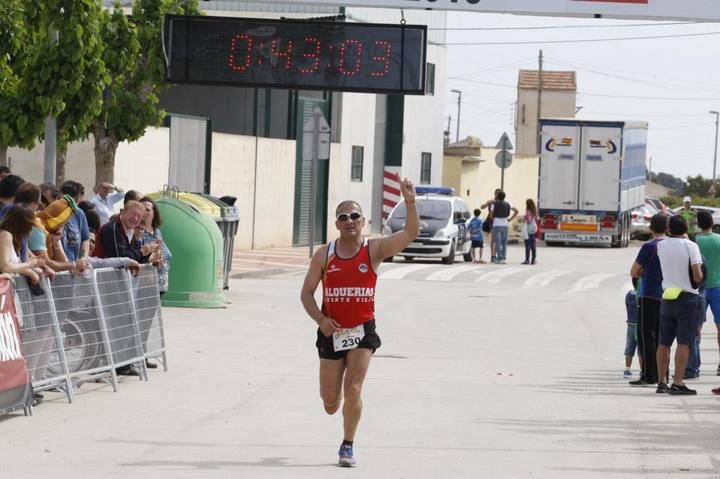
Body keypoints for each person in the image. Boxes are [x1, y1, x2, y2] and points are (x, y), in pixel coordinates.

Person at [300, 178, 419, 467]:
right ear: (337, 224)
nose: (350, 220)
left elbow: (411, 233)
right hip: (332, 332)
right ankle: (335, 400)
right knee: (330, 403)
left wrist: (410, 202)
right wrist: (321, 319)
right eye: (343, 217)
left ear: (363, 221)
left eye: (355, 216)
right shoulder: (324, 255)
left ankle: (348, 444)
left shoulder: (374, 250)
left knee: (354, 387)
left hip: (362, 332)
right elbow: (306, 294)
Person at [655, 215, 703, 395]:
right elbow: (697, 275)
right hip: (687, 297)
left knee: (664, 341)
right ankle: (678, 381)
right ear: (685, 229)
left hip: (667, 295)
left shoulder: (661, 245)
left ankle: (661, 382)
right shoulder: (691, 246)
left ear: (669, 229)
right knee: (684, 342)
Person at [629, 213, 667, 387]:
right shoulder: (672, 246)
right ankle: (663, 373)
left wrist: (643, 272)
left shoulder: (649, 247)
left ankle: (648, 374)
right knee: (663, 336)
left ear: (651, 228)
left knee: (647, 336)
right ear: (667, 228)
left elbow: (634, 271)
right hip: (668, 294)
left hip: (649, 294)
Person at [695, 211, 720, 378]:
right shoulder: (719, 239)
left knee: (696, 328)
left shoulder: (695, 241)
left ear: (698, 224)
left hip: (699, 289)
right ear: (712, 223)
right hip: (718, 287)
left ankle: (694, 365)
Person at [59, 180, 90, 261]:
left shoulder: (79, 213)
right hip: (57, 268)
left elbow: (85, 239)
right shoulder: (54, 212)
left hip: (74, 268)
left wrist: (83, 258)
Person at [489, 190, 518, 264]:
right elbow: (516, 211)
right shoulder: (508, 204)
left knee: (498, 242)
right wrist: (510, 219)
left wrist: (494, 219)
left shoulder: (493, 204)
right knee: (504, 242)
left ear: (497, 196)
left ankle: (500, 258)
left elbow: (491, 215)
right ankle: (504, 257)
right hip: (505, 224)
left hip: (497, 224)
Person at [623, 289, 640, 377]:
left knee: (629, 348)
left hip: (630, 324)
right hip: (640, 325)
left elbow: (627, 307)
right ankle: (642, 369)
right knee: (641, 350)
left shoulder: (629, 294)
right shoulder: (642, 294)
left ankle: (627, 369)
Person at [521, 198, 539, 265]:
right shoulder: (535, 211)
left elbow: (528, 221)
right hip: (534, 229)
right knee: (533, 245)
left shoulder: (528, 211)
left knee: (527, 245)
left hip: (528, 229)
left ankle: (527, 260)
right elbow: (537, 219)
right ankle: (533, 260)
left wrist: (524, 218)